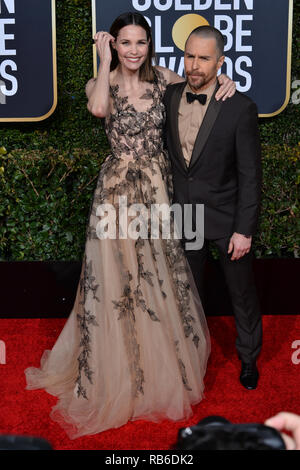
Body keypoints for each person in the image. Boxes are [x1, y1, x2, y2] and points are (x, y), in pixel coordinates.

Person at [24, 12, 235, 439]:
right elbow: (98, 108)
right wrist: (103, 62)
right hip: (116, 192)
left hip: (158, 190)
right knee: (117, 279)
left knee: (157, 277)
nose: (134, 51)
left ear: (149, 45)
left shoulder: (166, 77)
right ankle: (118, 372)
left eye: (141, 43)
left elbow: (201, 86)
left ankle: (157, 372)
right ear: (114, 45)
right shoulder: (103, 82)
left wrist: (223, 83)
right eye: (125, 43)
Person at [163, 25, 262, 390]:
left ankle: (249, 358)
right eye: (190, 56)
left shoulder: (239, 107)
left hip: (226, 219)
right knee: (188, 293)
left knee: (242, 293)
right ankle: (193, 359)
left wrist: (244, 229)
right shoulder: (170, 96)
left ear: (220, 62)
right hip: (185, 215)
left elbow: (250, 175)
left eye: (204, 58)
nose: (195, 65)